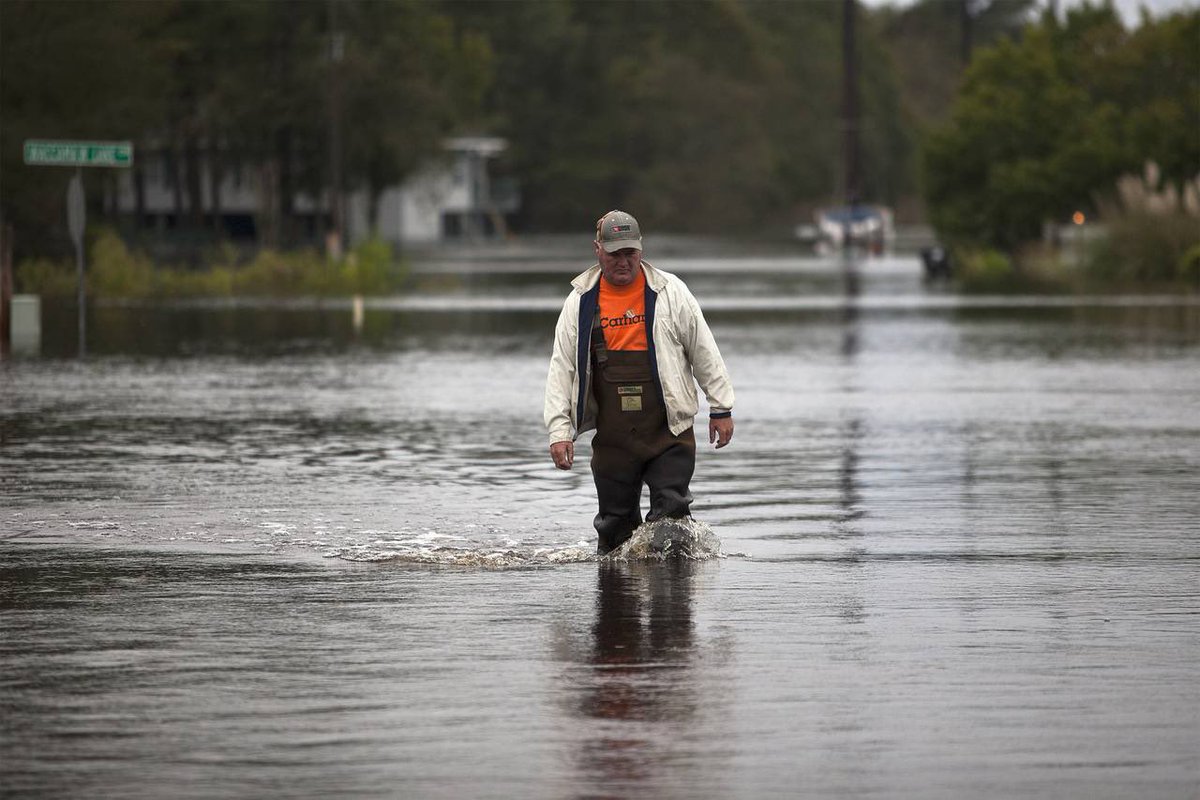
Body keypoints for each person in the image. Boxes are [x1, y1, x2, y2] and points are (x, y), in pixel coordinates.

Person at [544, 210, 735, 554]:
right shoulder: (579, 302)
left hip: (669, 432)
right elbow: (562, 370)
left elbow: (704, 349)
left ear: (641, 250)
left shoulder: (671, 291)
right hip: (613, 438)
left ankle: (673, 602)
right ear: (597, 250)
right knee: (614, 532)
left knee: (672, 523)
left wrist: (721, 408)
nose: (623, 261)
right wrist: (559, 432)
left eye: (629, 253)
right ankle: (618, 601)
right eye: (614, 253)